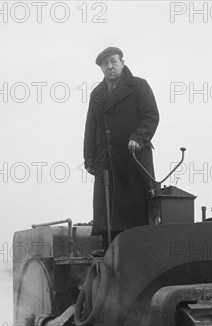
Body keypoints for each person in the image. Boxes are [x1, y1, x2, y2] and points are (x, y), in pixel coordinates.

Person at [83, 46, 159, 252]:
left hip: (133, 159)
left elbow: (151, 116)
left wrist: (139, 137)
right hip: (106, 160)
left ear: (122, 63)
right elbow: (91, 128)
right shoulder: (97, 94)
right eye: (104, 64)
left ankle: (138, 251)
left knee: (135, 210)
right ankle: (109, 252)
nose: (109, 67)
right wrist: (89, 159)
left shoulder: (139, 86)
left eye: (113, 62)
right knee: (106, 211)